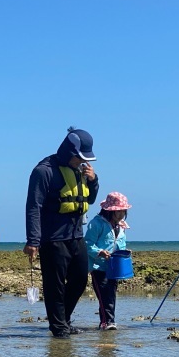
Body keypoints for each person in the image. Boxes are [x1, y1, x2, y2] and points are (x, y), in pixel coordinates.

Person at [24, 126, 100, 338]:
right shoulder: (44, 171)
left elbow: (90, 199)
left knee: (79, 280)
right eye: (79, 157)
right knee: (54, 285)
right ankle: (59, 329)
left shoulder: (80, 171)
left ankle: (62, 321)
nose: (82, 162)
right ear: (69, 151)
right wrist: (33, 240)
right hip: (53, 239)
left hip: (76, 236)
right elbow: (33, 206)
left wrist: (93, 181)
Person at [85, 192, 132, 330]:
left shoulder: (121, 226)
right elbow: (87, 243)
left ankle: (108, 321)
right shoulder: (97, 223)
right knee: (103, 294)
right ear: (110, 210)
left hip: (115, 267)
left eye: (124, 211)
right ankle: (107, 322)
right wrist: (99, 252)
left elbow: (120, 244)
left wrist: (124, 252)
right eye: (119, 211)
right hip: (98, 266)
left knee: (111, 294)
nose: (122, 213)